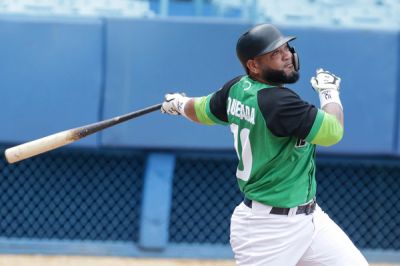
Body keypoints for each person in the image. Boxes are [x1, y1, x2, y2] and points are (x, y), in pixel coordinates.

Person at [161, 23, 368, 266]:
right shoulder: (278, 102)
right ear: (254, 65)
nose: (287, 57)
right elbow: (333, 132)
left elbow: (202, 109)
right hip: (268, 230)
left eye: (286, 48)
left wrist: (179, 105)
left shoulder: (237, 88)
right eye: (274, 54)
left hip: (310, 220)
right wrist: (329, 92)